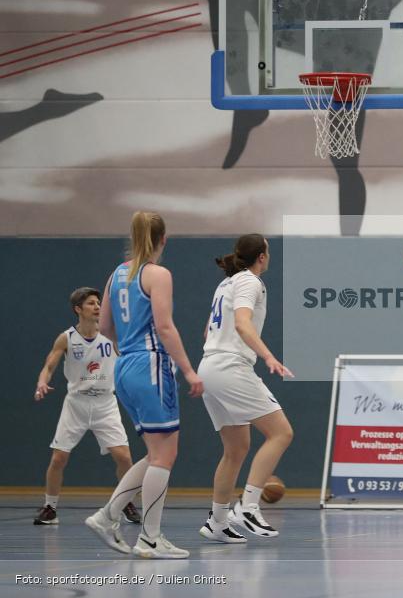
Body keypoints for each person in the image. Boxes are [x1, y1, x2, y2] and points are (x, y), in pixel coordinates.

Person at [84, 211, 203, 559]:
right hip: (151, 366)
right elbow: (164, 327)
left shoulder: (117, 274)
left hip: (123, 366)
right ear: (163, 239)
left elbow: (104, 327)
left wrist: (129, 352)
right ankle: (148, 536)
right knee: (165, 455)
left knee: (155, 454)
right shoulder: (158, 274)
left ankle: (109, 518)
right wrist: (189, 370)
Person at [197, 234, 294, 543]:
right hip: (230, 368)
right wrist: (268, 356)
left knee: (236, 449)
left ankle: (217, 521)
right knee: (281, 433)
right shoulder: (250, 282)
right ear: (262, 257)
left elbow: (208, 331)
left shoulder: (226, 283)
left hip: (209, 367)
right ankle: (248, 507)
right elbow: (242, 323)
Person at [32, 287, 140, 526]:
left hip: (105, 403)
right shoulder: (66, 338)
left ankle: (125, 502)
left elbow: (129, 358)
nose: (97, 306)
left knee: (124, 457)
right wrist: (42, 382)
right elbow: (49, 366)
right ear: (78, 309)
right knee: (58, 458)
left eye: (98, 302)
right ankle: (50, 507)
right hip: (76, 404)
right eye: (91, 303)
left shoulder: (112, 335)